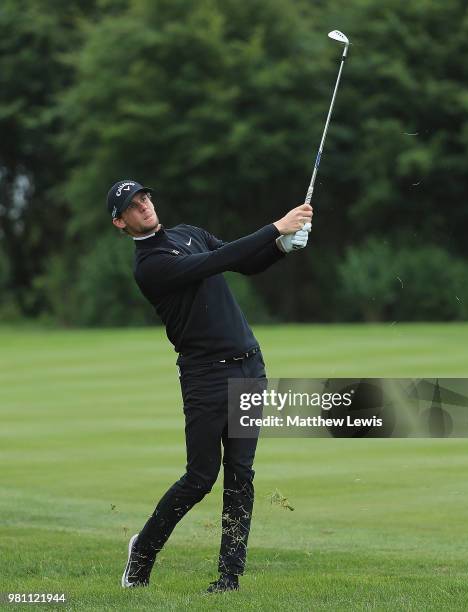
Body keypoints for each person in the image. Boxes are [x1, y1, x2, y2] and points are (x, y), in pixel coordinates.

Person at [106, 179, 313, 593]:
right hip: (205, 375)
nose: (144, 205)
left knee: (241, 474)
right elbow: (214, 263)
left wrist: (280, 248)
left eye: (145, 197)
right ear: (120, 223)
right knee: (201, 477)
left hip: (249, 366)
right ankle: (142, 553)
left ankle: (229, 579)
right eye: (133, 205)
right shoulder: (150, 266)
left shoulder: (190, 233)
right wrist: (277, 226)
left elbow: (243, 260)